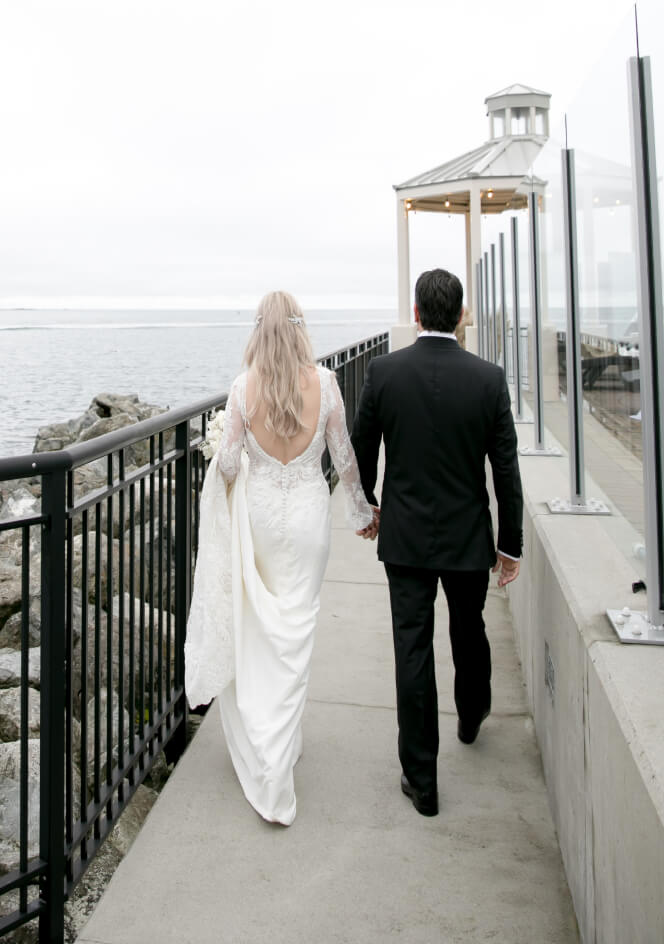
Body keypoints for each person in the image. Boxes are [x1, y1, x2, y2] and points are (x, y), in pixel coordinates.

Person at [186, 290, 377, 827]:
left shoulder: (243, 389)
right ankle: (283, 746)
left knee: (264, 630)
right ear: (298, 329)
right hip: (311, 521)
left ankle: (270, 747)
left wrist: (236, 471)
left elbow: (226, 465)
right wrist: (362, 514)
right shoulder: (329, 383)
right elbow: (345, 461)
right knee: (298, 631)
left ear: (258, 331)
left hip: (264, 521)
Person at [350, 268, 523, 818]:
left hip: (404, 539)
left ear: (419, 315)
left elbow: (360, 449)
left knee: (413, 648)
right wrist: (510, 545)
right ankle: (471, 715)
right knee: (469, 632)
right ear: (462, 314)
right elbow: (506, 471)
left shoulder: (384, 371)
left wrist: (370, 504)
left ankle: (422, 779)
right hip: (469, 536)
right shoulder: (489, 379)